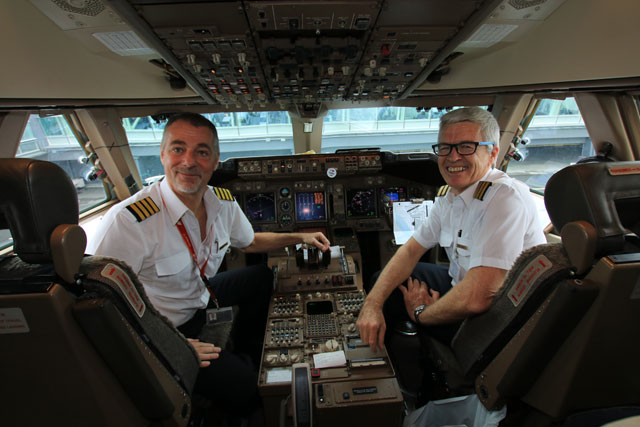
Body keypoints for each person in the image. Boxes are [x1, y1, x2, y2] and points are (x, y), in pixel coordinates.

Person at [87, 112, 330, 417]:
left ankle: (251, 345)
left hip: (200, 298)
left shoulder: (223, 202)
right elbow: (101, 309)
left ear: (215, 161)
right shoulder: (129, 222)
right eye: (178, 149)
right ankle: (238, 373)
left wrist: (299, 237)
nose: (188, 161)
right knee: (247, 385)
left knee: (262, 277)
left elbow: (249, 241)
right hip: (165, 327)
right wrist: (170, 345)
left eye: (201, 152)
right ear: (162, 154)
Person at [357, 107, 546, 352]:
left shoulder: (504, 199)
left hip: (502, 314)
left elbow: (479, 296)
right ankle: (388, 361)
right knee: (384, 284)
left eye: (467, 146)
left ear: (493, 154)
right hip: (464, 286)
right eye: (445, 147)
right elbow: (411, 251)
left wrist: (421, 313)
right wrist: (371, 303)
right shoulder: (451, 198)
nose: (453, 157)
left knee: (413, 310)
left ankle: (427, 379)